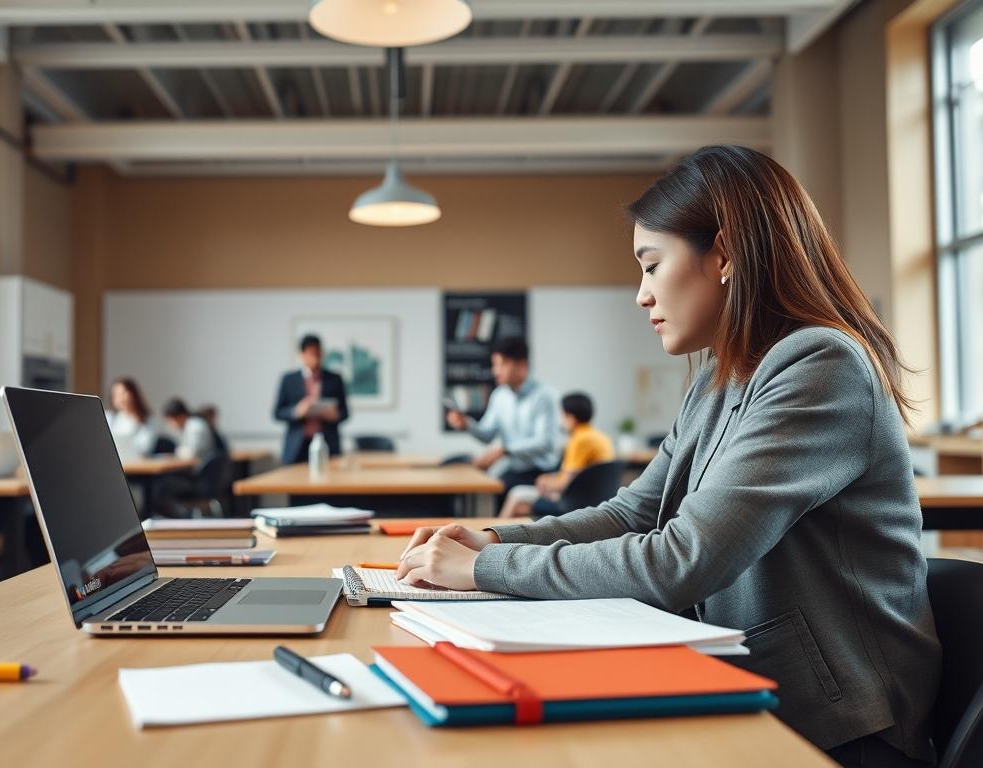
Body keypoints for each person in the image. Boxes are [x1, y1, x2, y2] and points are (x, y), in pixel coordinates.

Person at [397, 146, 941, 767]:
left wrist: (485, 572)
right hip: (751, 687)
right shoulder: (719, 379)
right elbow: (634, 514)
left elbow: (684, 559)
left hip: (841, 728)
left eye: (651, 265)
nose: (641, 294)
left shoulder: (821, 365)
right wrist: (494, 540)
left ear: (727, 253)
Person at [445, 336, 562, 493]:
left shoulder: (544, 396)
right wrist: (467, 424)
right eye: (494, 365)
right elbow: (487, 435)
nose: (495, 371)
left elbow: (546, 443)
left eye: (502, 364)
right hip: (514, 469)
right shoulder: (499, 395)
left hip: (542, 472)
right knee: (487, 486)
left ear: (522, 365)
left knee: (493, 490)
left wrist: (504, 450)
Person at [498, 392, 613, 519]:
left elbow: (564, 483)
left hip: (576, 502)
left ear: (570, 418)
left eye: (562, 415)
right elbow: (578, 475)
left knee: (517, 494)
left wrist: (545, 483)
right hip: (595, 498)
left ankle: (494, 535)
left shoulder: (579, 440)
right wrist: (551, 479)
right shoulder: (601, 436)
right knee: (522, 507)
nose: (561, 420)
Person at [273, 334, 349, 465]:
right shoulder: (289, 380)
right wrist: (296, 411)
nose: (315, 358)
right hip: (296, 446)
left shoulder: (334, 379)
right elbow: (277, 412)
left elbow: (345, 412)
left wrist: (335, 415)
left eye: (318, 354)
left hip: (327, 444)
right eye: (311, 354)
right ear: (302, 354)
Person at [106, 377, 159, 457]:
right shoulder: (113, 419)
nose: (120, 399)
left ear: (133, 394)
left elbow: (145, 448)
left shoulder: (147, 420)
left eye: (123, 393)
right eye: (116, 395)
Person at [162, 398, 216, 463]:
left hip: (203, 467)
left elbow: (192, 453)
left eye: (170, 421)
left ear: (180, 416)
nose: (170, 424)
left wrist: (177, 452)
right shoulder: (188, 426)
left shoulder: (195, 426)